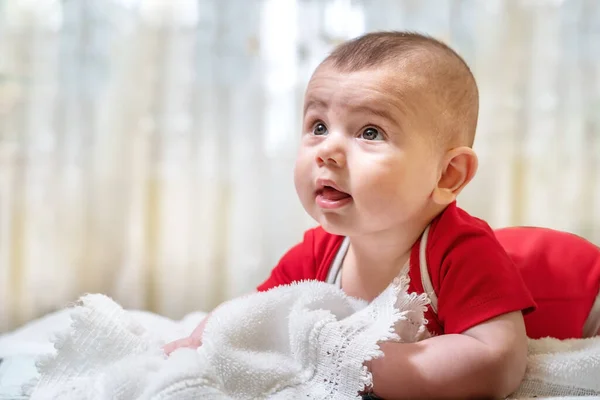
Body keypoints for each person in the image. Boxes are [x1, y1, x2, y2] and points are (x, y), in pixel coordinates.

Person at [164, 31, 600, 399]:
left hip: (581, 285)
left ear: (447, 174)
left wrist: (354, 359)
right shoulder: (321, 252)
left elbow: (495, 362)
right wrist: (200, 340)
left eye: (369, 132)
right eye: (318, 126)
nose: (327, 151)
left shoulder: (459, 250)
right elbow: (255, 313)